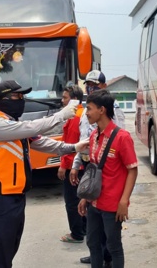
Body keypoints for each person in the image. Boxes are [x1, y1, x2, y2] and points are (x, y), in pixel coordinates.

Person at [0, 80, 89, 268]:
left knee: (9, 249)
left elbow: (43, 143)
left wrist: (74, 147)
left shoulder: (14, 125)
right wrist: (61, 115)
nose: (21, 100)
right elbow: (33, 128)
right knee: (0, 255)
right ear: (3, 99)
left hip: (15, 197)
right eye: (17, 97)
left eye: (23, 97)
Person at [68, 70, 125, 266]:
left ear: (103, 85)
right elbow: (84, 140)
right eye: (88, 84)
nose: (89, 87)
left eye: (94, 84)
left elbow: (120, 140)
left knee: (110, 230)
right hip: (90, 164)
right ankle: (97, 254)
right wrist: (76, 164)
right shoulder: (87, 110)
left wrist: (123, 199)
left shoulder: (111, 107)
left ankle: (107, 255)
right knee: (93, 224)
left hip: (108, 164)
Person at [78, 89, 138, 268]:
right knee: (93, 244)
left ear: (102, 110)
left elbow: (132, 171)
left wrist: (124, 201)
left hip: (112, 205)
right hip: (94, 203)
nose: (86, 113)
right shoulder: (93, 135)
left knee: (113, 247)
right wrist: (85, 197)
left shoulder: (122, 137)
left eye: (89, 108)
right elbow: (94, 170)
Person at [57, 85, 86, 243]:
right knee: (82, 197)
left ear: (74, 100)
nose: (62, 101)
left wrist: (64, 165)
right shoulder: (83, 114)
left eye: (65, 98)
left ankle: (76, 234)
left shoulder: (74, 117)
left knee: (72, 201)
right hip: (82, 164)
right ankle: (84, 228)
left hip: (74, 166)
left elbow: (71, 145)